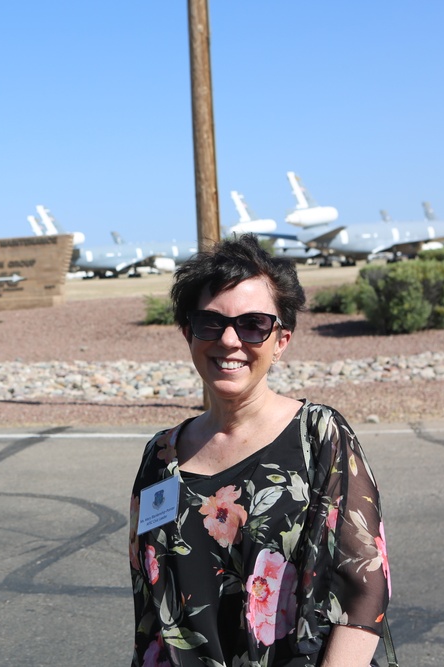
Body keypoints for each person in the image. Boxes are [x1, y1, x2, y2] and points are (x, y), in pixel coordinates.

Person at [129, 234, 391, 666]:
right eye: (210, 322)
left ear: (281, 340)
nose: (229, 340)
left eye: (253, 325)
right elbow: (149, 609)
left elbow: (364, 587)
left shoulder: (319, 436)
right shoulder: (161, 456)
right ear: (188, 333)